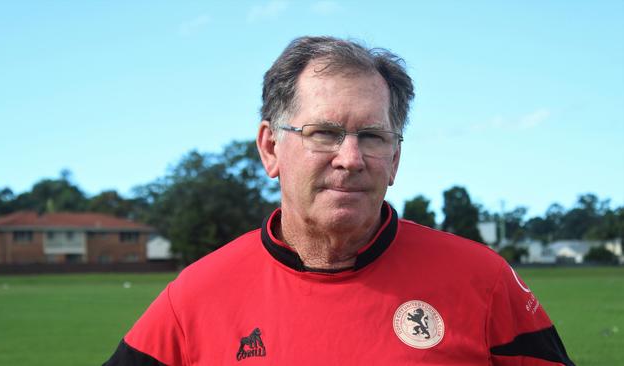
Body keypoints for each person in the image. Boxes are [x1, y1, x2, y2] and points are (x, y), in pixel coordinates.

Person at [104, 36, 574, 365]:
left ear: (394, 159)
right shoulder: (194, 297)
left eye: (372, 136)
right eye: (324, 133)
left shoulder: (486, 282)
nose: (351, 159)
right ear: (270, 148)